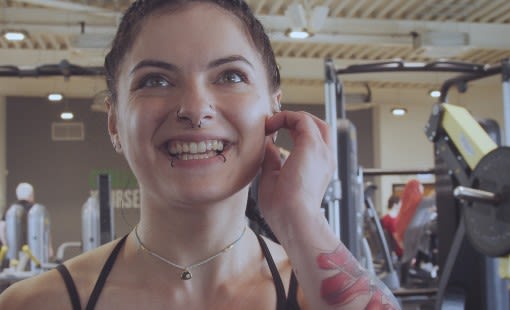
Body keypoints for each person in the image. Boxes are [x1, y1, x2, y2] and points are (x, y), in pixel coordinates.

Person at [0, 1, 400, 309]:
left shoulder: (314, 294)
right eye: (155, 80)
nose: (194, 107)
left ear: (273, 109)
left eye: (230, 76)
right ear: (114, 123)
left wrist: (300, 218)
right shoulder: (38, 303)